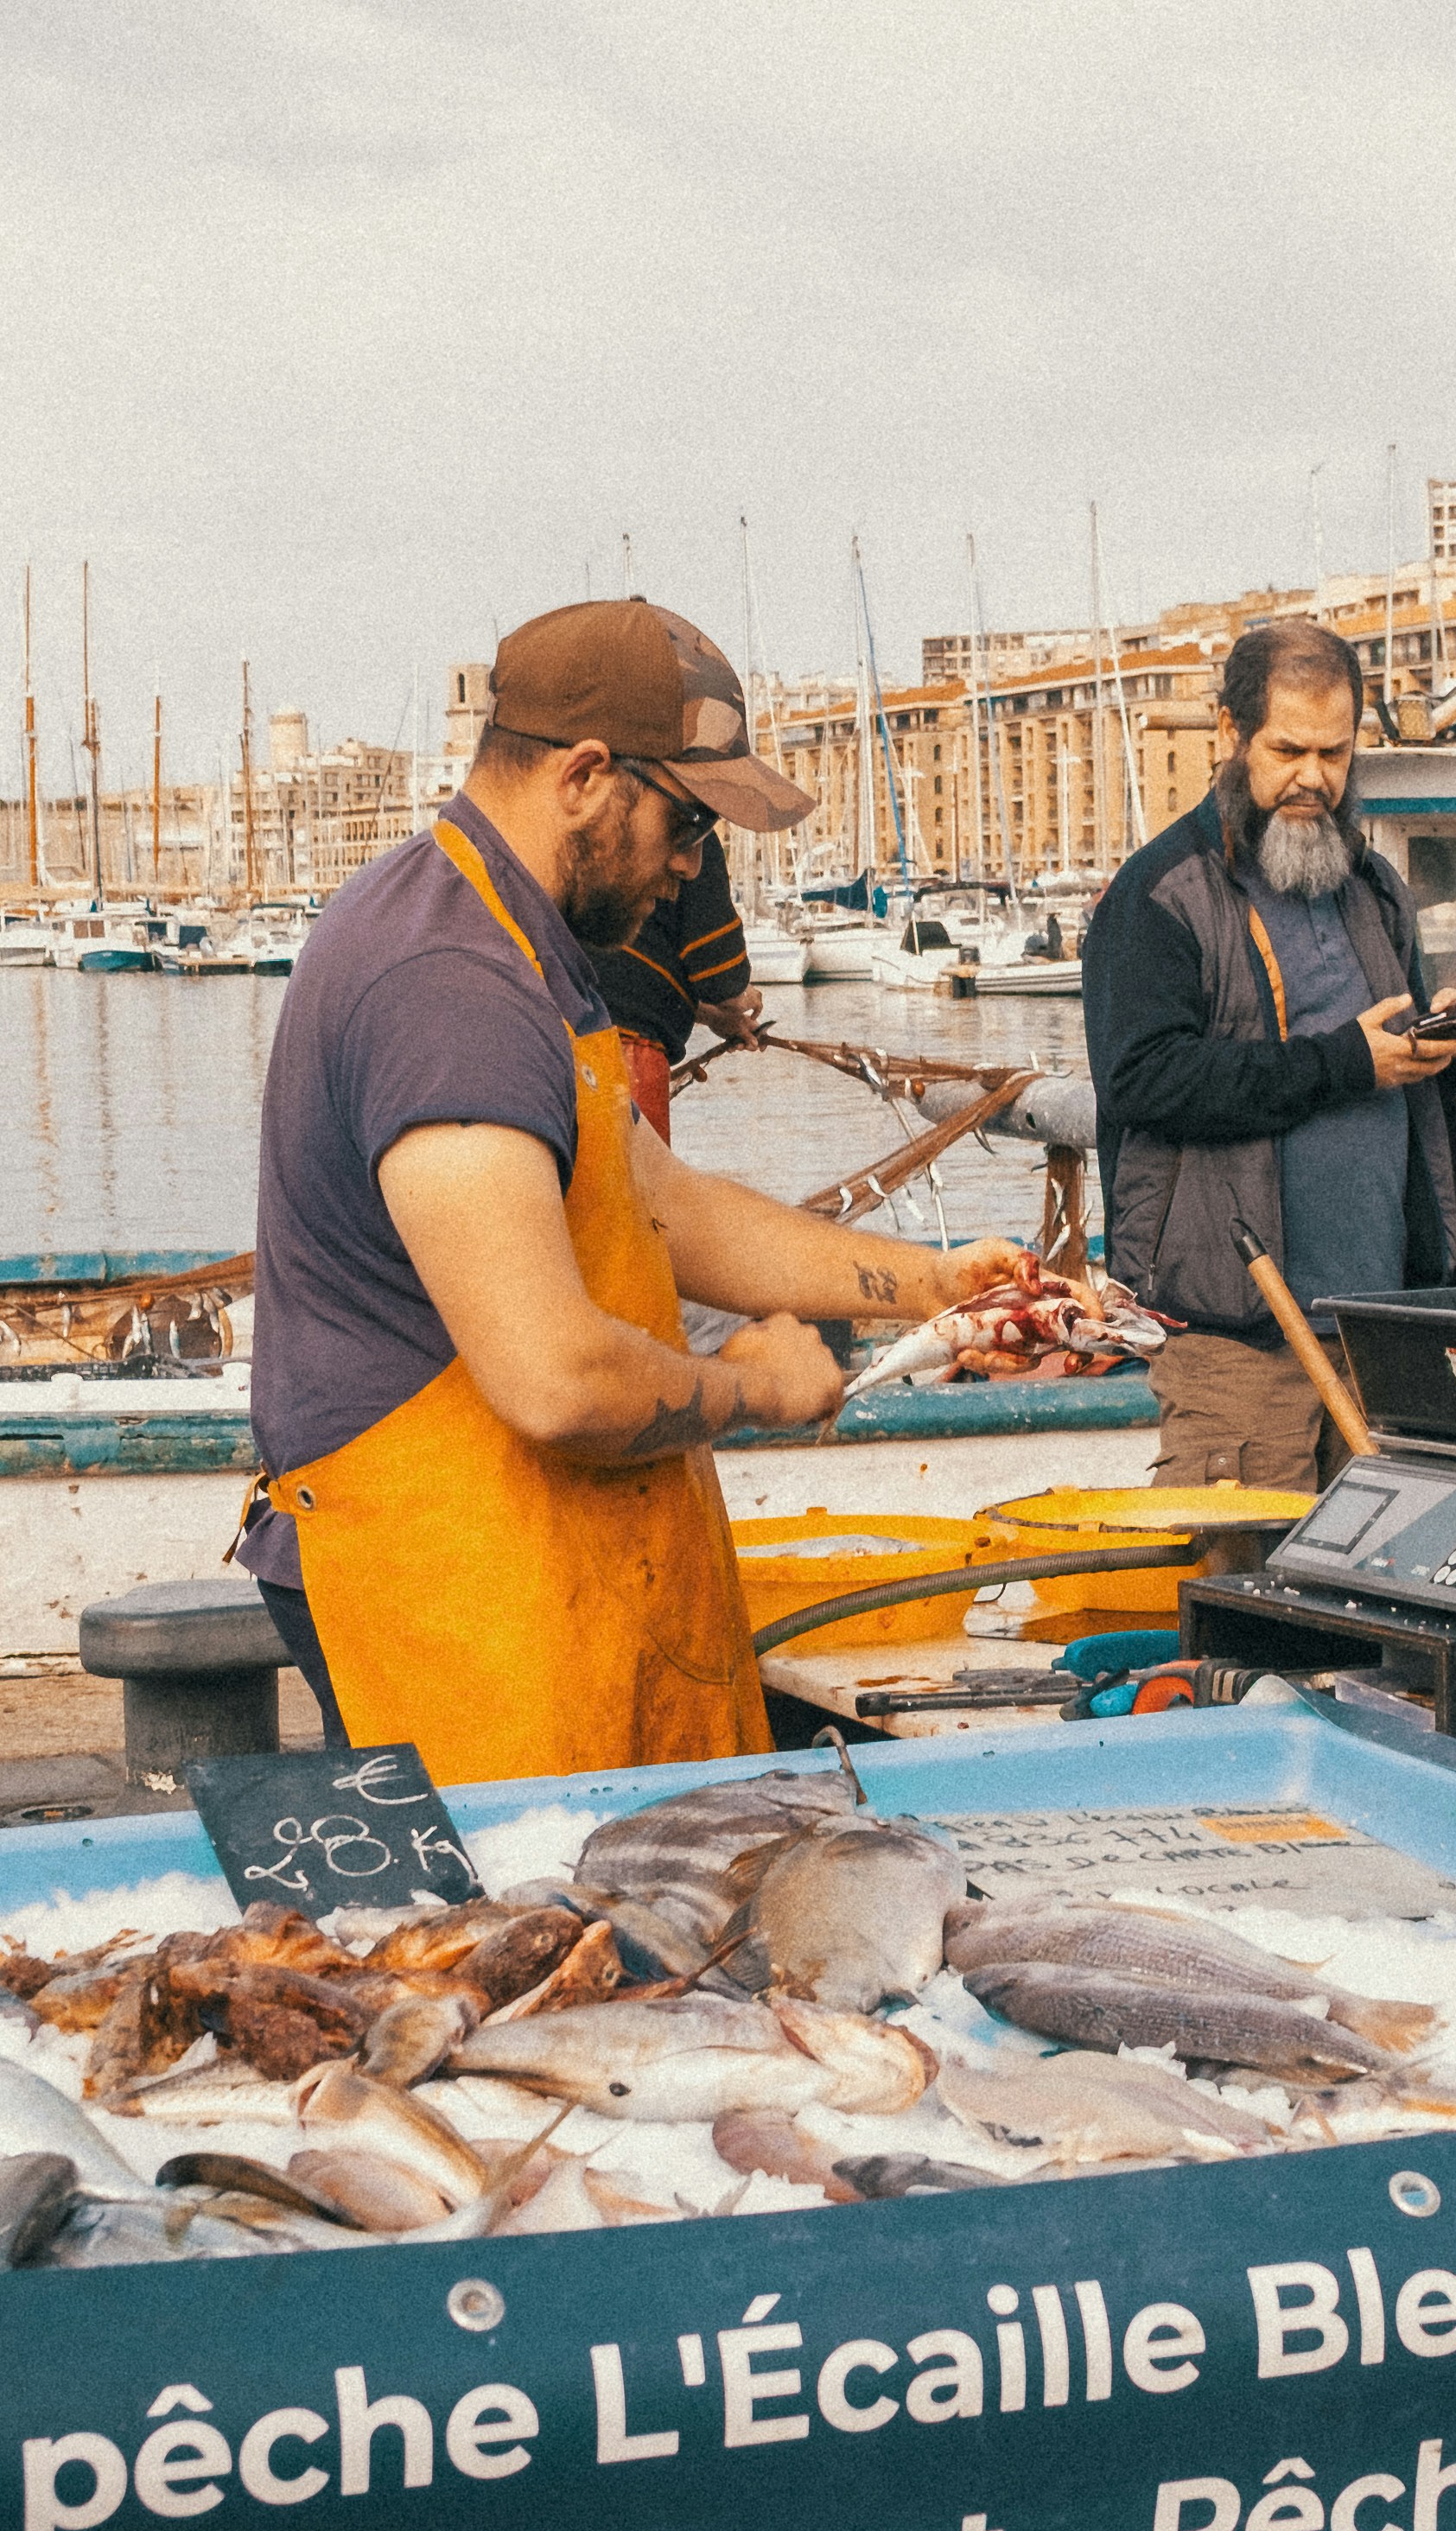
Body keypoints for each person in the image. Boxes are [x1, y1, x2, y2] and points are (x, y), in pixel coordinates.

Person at [246, 599, 1034, 1781]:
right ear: (584, 777)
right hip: (452, 1588)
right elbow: (557, 1379)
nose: (693, 864)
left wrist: (930, 1285)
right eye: (688, 819)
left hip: (538, 1561)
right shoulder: (448, 988)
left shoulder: (518, 936)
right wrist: (753, 1388)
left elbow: (663, 1202)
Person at [1084, 619, 1456, 1491]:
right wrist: (1346, 1062)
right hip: (1237, 1347)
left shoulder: (1375, 887)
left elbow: (1386, 1066)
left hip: (1383, 1335)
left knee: (1381, 1574)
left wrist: (1442, 1047)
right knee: (1245, 1573)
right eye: (1289, 750)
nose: (1314, 777)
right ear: (1231, 734)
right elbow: (1143, 1081)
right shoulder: (1158, 894)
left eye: (1335, 754)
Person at [584, 816, 764, 1138]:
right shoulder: (690, 825)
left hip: (559, 1042)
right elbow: (723, 978)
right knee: (635, 1170)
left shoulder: (585, 824)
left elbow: (620, 976)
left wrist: (713, 1017)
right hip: (626, 1057)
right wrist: (740, 997)